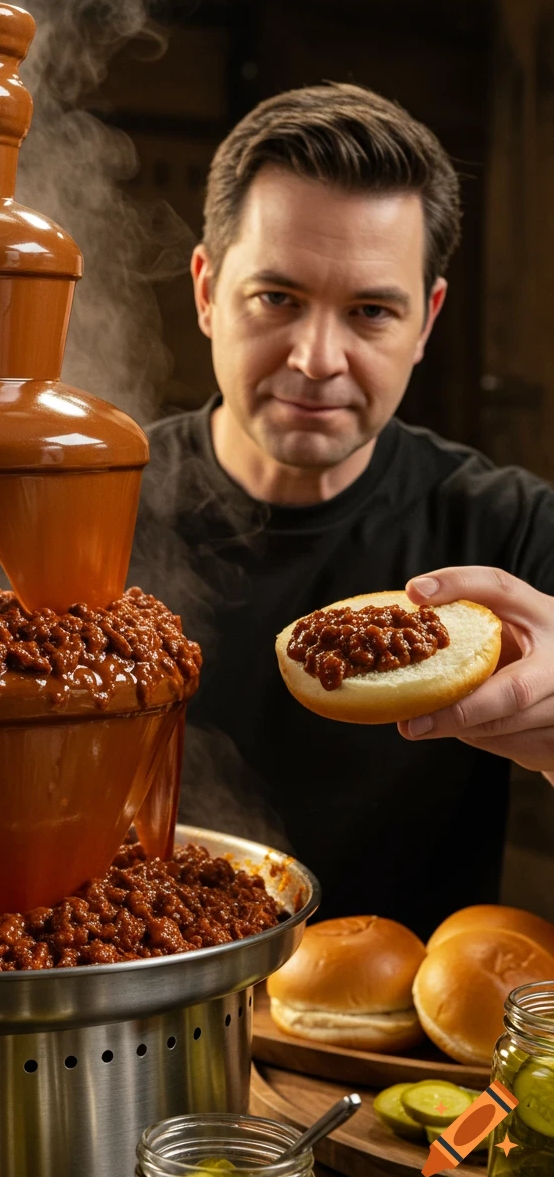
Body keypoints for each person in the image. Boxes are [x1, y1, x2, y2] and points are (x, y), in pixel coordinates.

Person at [128, 82, 554, 938]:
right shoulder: (93, 502)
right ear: (207, 291)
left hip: (404, 1013)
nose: (318, 358)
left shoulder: (509, 527)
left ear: (426, 321)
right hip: (125, 984)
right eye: (277, 299)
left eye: (370, 312)